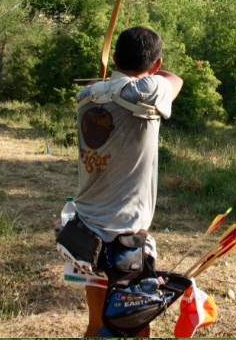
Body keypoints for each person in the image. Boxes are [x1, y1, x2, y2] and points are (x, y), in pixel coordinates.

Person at [73, 26, 183, 337]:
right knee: (135, 326)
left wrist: (108, 81)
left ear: (115, 56)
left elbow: (109, 89)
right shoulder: (147, 91)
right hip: (127, 238)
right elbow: (176, 80)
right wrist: (154, 69)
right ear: (156, 65)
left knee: (97, 325)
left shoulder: (86, 95)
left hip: (85, 230)